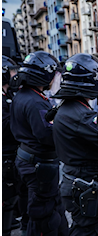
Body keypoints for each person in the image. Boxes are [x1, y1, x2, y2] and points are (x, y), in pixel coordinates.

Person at [48, 54, 98, 236]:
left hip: (76, 180)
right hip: (84, 183)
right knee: (91, 231)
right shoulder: (81, 116)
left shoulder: (67, 107)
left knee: (86, 228)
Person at [9, 51, 69, 236]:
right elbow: (46, 136)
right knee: (43, 215)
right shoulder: (36, 102)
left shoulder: (23, 95)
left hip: (29, 159)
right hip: (38, 164)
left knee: (52, 208)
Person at [2, 56, 22, 236]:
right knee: (6, 199)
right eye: (11, 71)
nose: (14, 75)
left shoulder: (8, 95)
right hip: (5, 155)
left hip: (11, 153)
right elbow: (6, 126)